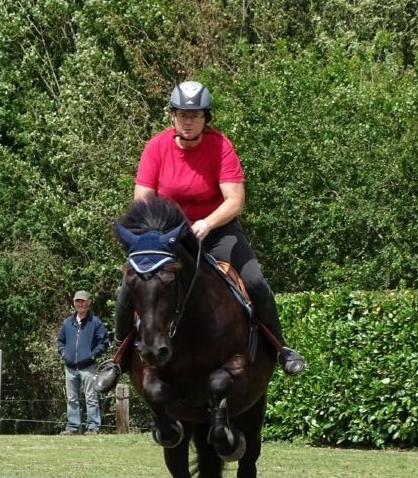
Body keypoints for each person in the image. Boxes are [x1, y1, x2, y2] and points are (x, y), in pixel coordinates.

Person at [95, 80, 305, 394]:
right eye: (182, 115)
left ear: (206, 118)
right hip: (169, 238)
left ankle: (280, 348)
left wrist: (207, 223)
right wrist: (156, 235)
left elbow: (235, 200)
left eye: (194, 115)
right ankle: (117, 357)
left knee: (255, 279)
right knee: (130, 285)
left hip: (216, 231)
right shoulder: (156, 147)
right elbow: (142, 200)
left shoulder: (221, 146)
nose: (188, 121)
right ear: (172, 116)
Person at [57, 290, 109, 435]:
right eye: (77, 301)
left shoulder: (95, 322)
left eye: (83, 301)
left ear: (88, 303)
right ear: (74, 303)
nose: (80, 304)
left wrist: (92, 356)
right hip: (70, 367)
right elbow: (60, 342)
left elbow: (104, 342)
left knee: (91, 398)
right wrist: (64, 354)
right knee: (72, 399)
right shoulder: (67, 323)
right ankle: (72, 427)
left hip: (88, 367)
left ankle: (93, 427)